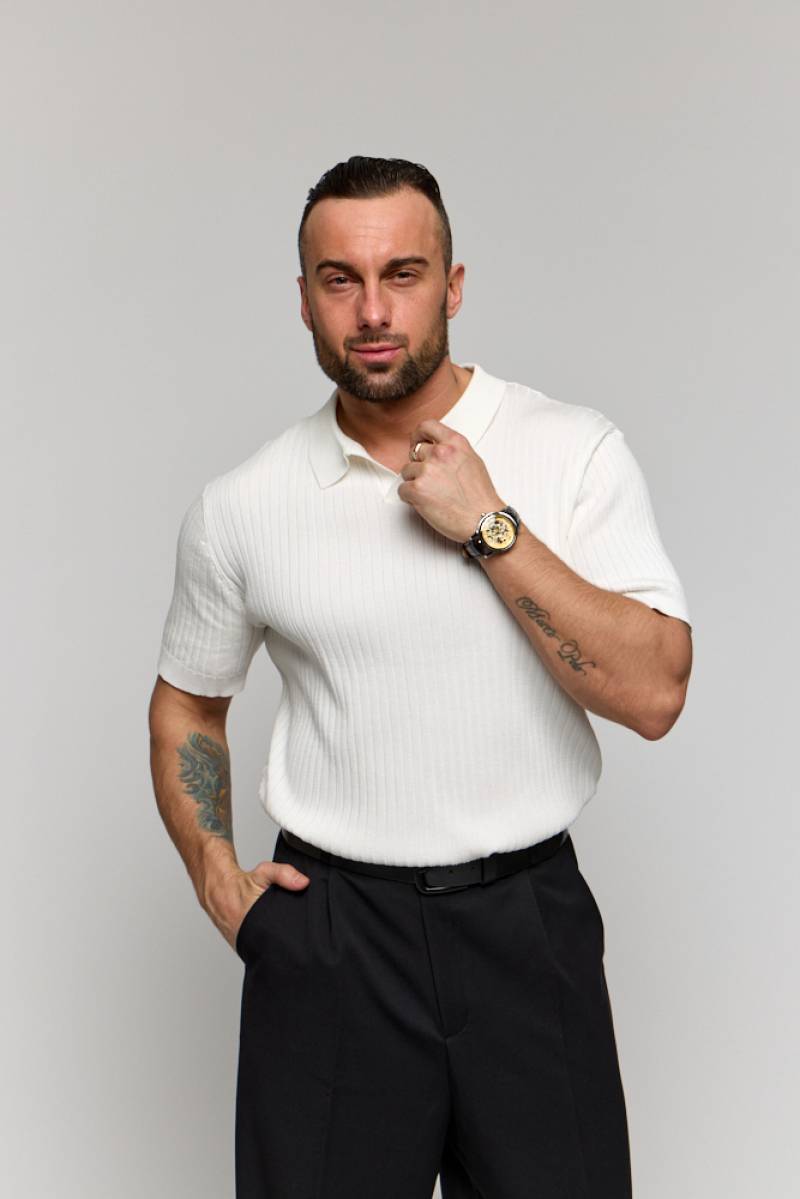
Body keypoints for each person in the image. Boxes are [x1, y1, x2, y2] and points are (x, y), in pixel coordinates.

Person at [148, 155, 693, 1198]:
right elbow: (187, 701)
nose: (372, 310)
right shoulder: (244, 505)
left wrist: (489, 525)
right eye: (339, 279)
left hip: (526, 926)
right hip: (333, 938)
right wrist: (221, 881)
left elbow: (654, 693)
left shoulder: (570, 452)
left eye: (401, 273)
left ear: (453, 285)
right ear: (303, 297)